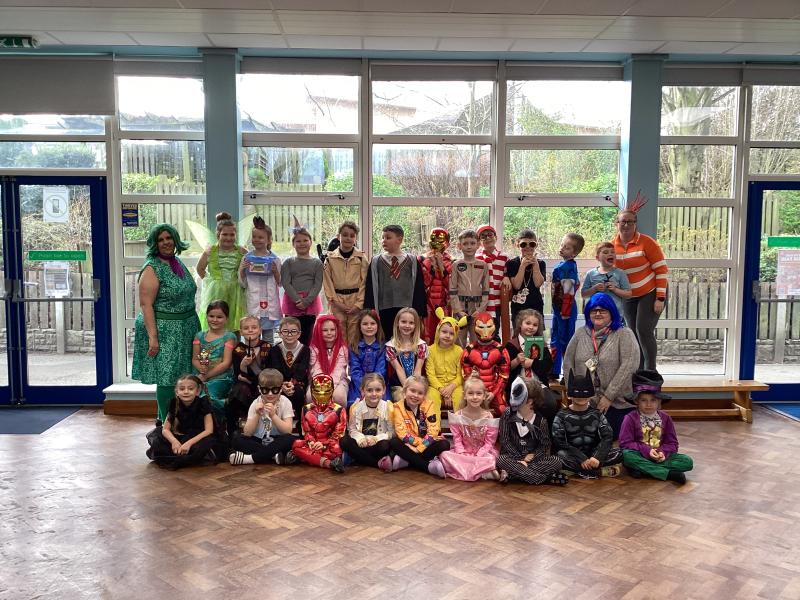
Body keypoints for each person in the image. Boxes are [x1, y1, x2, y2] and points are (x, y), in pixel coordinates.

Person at [132, 223, 201, 423]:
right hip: (164, 329)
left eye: (169, 238)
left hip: (185, 327)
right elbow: (146, 305)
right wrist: (153, 337)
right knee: (167, 377)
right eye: (160, 240)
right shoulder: (152, 268)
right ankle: (166, 424)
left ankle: (166, 418)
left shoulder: (176, 262)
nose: (166, 243)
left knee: (182, 376)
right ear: (155, 243)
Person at [562, 292, 640, 439]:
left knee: (609, 438)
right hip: (584, 402)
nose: (597, 313)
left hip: (616, 404)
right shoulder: (580, 333)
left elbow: (629, 366)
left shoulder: (624, 334)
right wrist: (573, 392)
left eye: (602, 310)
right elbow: (567, 363)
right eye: (593, 310)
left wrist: (608, 396)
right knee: (577, 438)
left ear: (612, 312)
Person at [613, 198, 669, 371]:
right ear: (617, 224)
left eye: (630, 222)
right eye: (623, 222)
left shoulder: (647, 242)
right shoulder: (612, 246)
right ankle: (638, 371)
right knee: (632, 333)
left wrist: (660, 298)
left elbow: (661, 270)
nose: (626, 225)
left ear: (635, 224)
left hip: (651, 291)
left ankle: (650, 371)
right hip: (629, 295)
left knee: (643, 330)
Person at [620, 369, 693, 484]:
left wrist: (663, 452)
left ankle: (643, 469)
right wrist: (647, 450)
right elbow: (625, 444)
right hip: (640, 455)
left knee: (687, 462)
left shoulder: (666, 418)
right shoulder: (630, 418)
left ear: (659, 401)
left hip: (660, 457)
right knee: (626, 456)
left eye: (653, 400)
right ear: (637, 401)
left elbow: (673, 443)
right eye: (644, 400)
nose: (648, 404)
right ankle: (668, 474)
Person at [551, 369, 623, 479]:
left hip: (594, 456)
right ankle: (597, 472)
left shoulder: (597, 414)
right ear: (569, 395)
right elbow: (559, 441)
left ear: (590, 395)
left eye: (585, 393)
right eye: (576, 393)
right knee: (558, 456)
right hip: (572, 456)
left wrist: (598, 457)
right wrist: (581, 458)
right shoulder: (561, 415)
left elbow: (607, 437)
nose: (581, 397)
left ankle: (579, 471)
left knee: (620, 452)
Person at [496, 377, 567, 486]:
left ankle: (513, 474)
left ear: (530, 401)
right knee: (501, 460)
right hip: (512, 457)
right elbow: (504, 440)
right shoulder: (507, 414)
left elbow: (544, 445)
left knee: (556, 462)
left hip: (532, 460)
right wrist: (520, 458)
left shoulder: (541, 421)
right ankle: (545, 479)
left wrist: (532, 457)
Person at [364, 224, 427, 341]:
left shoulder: (412, 261)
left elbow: (419, 287)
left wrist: (419, 311)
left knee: (405, 339)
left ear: (399, 239)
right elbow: (370, 287)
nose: (384, 241)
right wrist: (369, 310)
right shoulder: (376, 261)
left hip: (406, 309)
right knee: (386, 339)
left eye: (388, 237)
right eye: (382, 238)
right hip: (384, 309)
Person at [228, 368, 300, 466]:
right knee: (237, 439)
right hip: (259, 440)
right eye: (265, 390)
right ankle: (273, 455)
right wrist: (257, 414)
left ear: (280, 389)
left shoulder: (285, 402)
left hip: (278, 439)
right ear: (259, 389)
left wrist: (273, 415)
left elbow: (287, 430)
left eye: (274, 390)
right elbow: (247, 432)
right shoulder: (256, 403)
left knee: (291, 439)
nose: (270, 394)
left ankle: (249, 459)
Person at [437, 377, 501, 481]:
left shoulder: (488, 416)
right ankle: (482, 473)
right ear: (464, 395)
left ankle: (464, 470)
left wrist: (479, 454)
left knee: (491, 459)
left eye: (479, 394)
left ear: (484, 396)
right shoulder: (458, 415)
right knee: (444, 455)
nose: (475, 397)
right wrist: (461, 452)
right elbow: (457, 439)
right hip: (463, 453)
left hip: (482, 454)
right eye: (470, 393)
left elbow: (490, 443)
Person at [504, 309, 559, 429]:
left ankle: (545, 434)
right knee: (515, 406)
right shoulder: (511, 345)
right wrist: (516, 361)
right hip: (517, 384)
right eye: (527, 323)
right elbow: (505, 368)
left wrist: (533, 363)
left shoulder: (541, 344)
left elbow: (548, 366)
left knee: (550, 404)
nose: (531, 327)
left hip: (538, 384)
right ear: (520, 324)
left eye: (535, 325)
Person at [146, 374, 215, 470]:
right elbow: (165, 429)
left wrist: (188, 443)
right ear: (177, 392)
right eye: (182, 389)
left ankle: (188, 455)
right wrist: (174, 442)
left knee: (204, 444)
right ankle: (180, 453)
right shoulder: (174, 403)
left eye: (190, 389)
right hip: (180, 434)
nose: (186, 392)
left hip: (198, 436)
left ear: (198, 391)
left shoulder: (203, 404)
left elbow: (209, 430)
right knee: (158, 437)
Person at [389, 375, 450, 477]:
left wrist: (418, 448)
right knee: (394, 442)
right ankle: (428, 467)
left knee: (444, 444)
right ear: (405, 391)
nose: (415, 395)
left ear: (424, 395)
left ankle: (407, 461)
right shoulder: (397, 407)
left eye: (420, 393)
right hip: (408, 443)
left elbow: (433, 430)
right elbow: (402, 434)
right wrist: (419, 444)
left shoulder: (428, 405)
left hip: (425, 444)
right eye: (412, 391)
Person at [196, 211, 247, 331]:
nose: (228, 238)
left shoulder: (241, 251)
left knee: (235, 322)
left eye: (232, 235)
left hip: (235, 292)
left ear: (236, 235)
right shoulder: (210, 251)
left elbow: (249, 268)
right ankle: (214, 341)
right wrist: (211, 281)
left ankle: (234, 342)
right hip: (216, 292)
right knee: (215, 320)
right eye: (225, 234)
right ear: (218, 234)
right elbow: (200, 268)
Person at [287, 374, 347, 473]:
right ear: (312, 391)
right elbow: (307, 431)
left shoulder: (339, 410)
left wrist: (323, 444)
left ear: (332, 390)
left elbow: (338, 434)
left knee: (337, 449)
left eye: (326, 391)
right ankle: (328, 463)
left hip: (329, 445)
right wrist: (311, 442)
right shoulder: (306, 409)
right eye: (318, 391)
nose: (322, 394)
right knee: (296, 444)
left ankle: (304, 458)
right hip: (312, 444)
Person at [225, 315, 272, 439]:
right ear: (241, 332)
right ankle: (233, 432)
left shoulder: (268, 347)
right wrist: (243, 365)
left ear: (260, 330)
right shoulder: (238, 349)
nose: (250, 330)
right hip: (244, 385)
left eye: (254, 327)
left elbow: (270, 371)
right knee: (237, 393)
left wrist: (250, 378)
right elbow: (238, 375)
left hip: (264, 384)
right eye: (246, 328)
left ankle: (265, 432)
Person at [322, 220, 368, 343]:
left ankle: (352, 355)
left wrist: (358, 304)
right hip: (337, 301)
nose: (348, 238)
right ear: (338, 236)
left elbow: (365, 282)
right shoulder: (330, 258)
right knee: (338, 331)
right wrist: (336, 302)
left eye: (352, 236)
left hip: (355, 300)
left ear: (356, 238)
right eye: (345, 235)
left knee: (355, 333)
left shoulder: (361, 258)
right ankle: (340, 355)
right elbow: (327, 282)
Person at [239, 215, 282, 344]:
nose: (257, 240)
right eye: (254, 237)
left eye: (261, 237)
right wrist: (242, 270)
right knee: (251, 337)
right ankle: (250, 356)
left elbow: (280, 283)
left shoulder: (275, 259)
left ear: (269, 240)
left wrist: (275, 272)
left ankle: (268, 357)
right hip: (253, 303)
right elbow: (242, 283)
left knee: (268, 339)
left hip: (269, 305)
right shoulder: (246, 259)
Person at [339, 373, 395, 471]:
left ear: (384, 390)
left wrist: (376, 439)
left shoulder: (388, 408)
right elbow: (352, 430)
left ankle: (355, 457)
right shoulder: (355, 407)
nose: (374, 394)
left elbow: (391, 432)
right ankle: (377, 463)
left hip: (376, 445)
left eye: (378, 390)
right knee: (344, 441)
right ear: (362, 391)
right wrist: (360, 439)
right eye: (369, 390)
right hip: (361, 444)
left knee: (385, 446)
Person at [192, 300, 237, 420]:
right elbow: (195, 359)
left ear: (226, 318)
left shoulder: (229, 337)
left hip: (221, 378)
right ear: (206, 316)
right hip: (200, 376)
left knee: (208, 399)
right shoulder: (199, 336)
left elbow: (226, 363)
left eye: (219, 317)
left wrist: (207, 375)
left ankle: (218, 424)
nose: (215, 320)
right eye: (211, 316)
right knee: (189, 395)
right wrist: (201, 370)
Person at [280, 225, 323, 346]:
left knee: (307, 337)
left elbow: (318, 284)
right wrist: (297, 300)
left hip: (310, 304)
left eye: (305, 240)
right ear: (293, 244)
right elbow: (286, 283)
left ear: (311, 242)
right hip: (292, 303)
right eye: (298, 241)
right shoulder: (288, 262)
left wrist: (307, 301)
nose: (302, 243)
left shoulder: (317, 263)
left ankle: (305, 357)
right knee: (290, 335)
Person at [461, 312, 510, 417]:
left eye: (488, 326)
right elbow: (466, 375)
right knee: (466, 413)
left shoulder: (501, 350)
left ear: (494, 326)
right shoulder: (468, 351)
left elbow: (504, 376)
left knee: (503, 411)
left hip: (495, 390)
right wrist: (476, 391)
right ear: (475, 327)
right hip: (475, 391)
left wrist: (494, 392)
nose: (485, 331)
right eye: (481, 327)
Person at [551, 232, 585, 379]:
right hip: (559, 309)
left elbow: (569, 292)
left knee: (565, 340)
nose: (562, 248)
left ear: (574, 253)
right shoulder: (563, 264)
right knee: (555, 338)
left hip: (566, 310)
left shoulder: (568, 267)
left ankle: (568, 372)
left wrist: (565, 311)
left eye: (567, 247)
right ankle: (554, 370)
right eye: (562, 245)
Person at [449, 229, 490, 347]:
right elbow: (452, 290)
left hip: (476, 307)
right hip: (460, 307)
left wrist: (481, 309)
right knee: (458, 339)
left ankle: (474, 359)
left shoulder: (483, 265)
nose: (469, 246)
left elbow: (486, 290)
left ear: (478, 245)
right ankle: (460, 359)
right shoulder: (456, 265)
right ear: (459, 246)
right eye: (465, 243)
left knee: (476, 339)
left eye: (472, 243)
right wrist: (458, 310)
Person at [268, 316, 311, 422]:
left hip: (297, 382)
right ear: (280, 333)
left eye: (293, 331)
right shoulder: (274, 350)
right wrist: (282, 385)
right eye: (285, 331)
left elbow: (302, 370)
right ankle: (278, 418)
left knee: (298, 392)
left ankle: (299, 420)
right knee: (274, 392)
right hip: (279, 383)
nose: (289, 334)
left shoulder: (305, 350)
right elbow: (275, 369)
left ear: (299, 334)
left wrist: (292, 384)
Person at [425, 308, 467, 413]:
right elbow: (430, 375)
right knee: (431, 397)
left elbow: (461, 374)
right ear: (438, 331)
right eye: (444, 332)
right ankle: (434, 423)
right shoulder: (430, 350)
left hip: (455, 385)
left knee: (460, 396)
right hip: (436, 386)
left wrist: (451, 388)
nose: (447, 336)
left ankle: (459, 422)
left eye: (452, 334)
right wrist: (442, 390)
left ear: (455, 336)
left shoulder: (459, 350)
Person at [581, 241, 631, 323]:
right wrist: (594, 288)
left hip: (616, 315)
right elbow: (584, 294)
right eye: (605, 252)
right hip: (596, 316)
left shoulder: (620, 273)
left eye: (612, 252)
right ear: (597, 258)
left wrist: (615, 289)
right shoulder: (590, 274)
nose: (610, 254)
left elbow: (628, 294)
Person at [385, 307, 428, 403]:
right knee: (403, 399)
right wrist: (407, 390)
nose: (407, 325)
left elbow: (417, 370)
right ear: (397, 323)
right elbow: (398, 369)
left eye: (411, 323)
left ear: (416, 325)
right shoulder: (391, 346)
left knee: (423, 400)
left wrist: (415, 390)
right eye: (403, 322)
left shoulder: (421, 345)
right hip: (399, 385)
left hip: (417, 383)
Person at [347, 309, 387, 407]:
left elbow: (381, 370)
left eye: (372, 323)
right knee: (355, 403)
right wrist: (365, 388)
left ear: (378, 326)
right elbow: (355, 370)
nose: (369, 327)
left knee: (383, 404)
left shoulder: (383, 347)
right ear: (359, 327)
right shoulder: (354, 347)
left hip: (378, 384)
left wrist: (373, 387)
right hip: (359, 385)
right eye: (365, 324)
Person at [505, 228, 546, 321]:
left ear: (536, 245)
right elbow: (516, 285)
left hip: (536, 306)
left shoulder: (541, 263)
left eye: (532, 244)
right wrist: (522, 265)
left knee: (537, 330)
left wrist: (535, 264)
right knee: (519, 330)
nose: (528, 247)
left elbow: (538, 284)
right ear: (517, 245)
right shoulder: (512, 263)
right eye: (523, 244)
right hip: (518, 308)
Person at [307, 314, 349, 407]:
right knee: (310, 396)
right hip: (317, 382)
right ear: (318, 331)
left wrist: (329, 388)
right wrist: (322, 388)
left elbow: (339, 371)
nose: (329, 333)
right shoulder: (313, 349)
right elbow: (316, 370)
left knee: (339, 396)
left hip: (339, 381)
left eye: (332, 330)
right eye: (325, 330)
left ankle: (340, 415)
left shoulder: (342, 349)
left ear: (337, 330)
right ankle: (314, 416)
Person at [421, 228, 454, 344]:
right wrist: (431, 265)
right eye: (433, 239)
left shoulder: (452, 261)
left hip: (444, 304)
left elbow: (450, 286)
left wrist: (441, 266)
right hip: (427, 304)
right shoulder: (422, 259)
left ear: (447, 243)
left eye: (440, 240)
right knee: (427, 334)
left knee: (444, 334)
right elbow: (424, 284)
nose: (436, 243)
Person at [475, 224, 509, 329]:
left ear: (496, 237)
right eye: (483, 236)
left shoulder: (504, 257)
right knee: (480, 329)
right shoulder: (476, 258)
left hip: (497, 301)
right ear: (479, 242)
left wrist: (506, 276)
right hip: (480, 302)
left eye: (490, 235)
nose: (487, 238)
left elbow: (508, 273)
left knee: (494, 329)